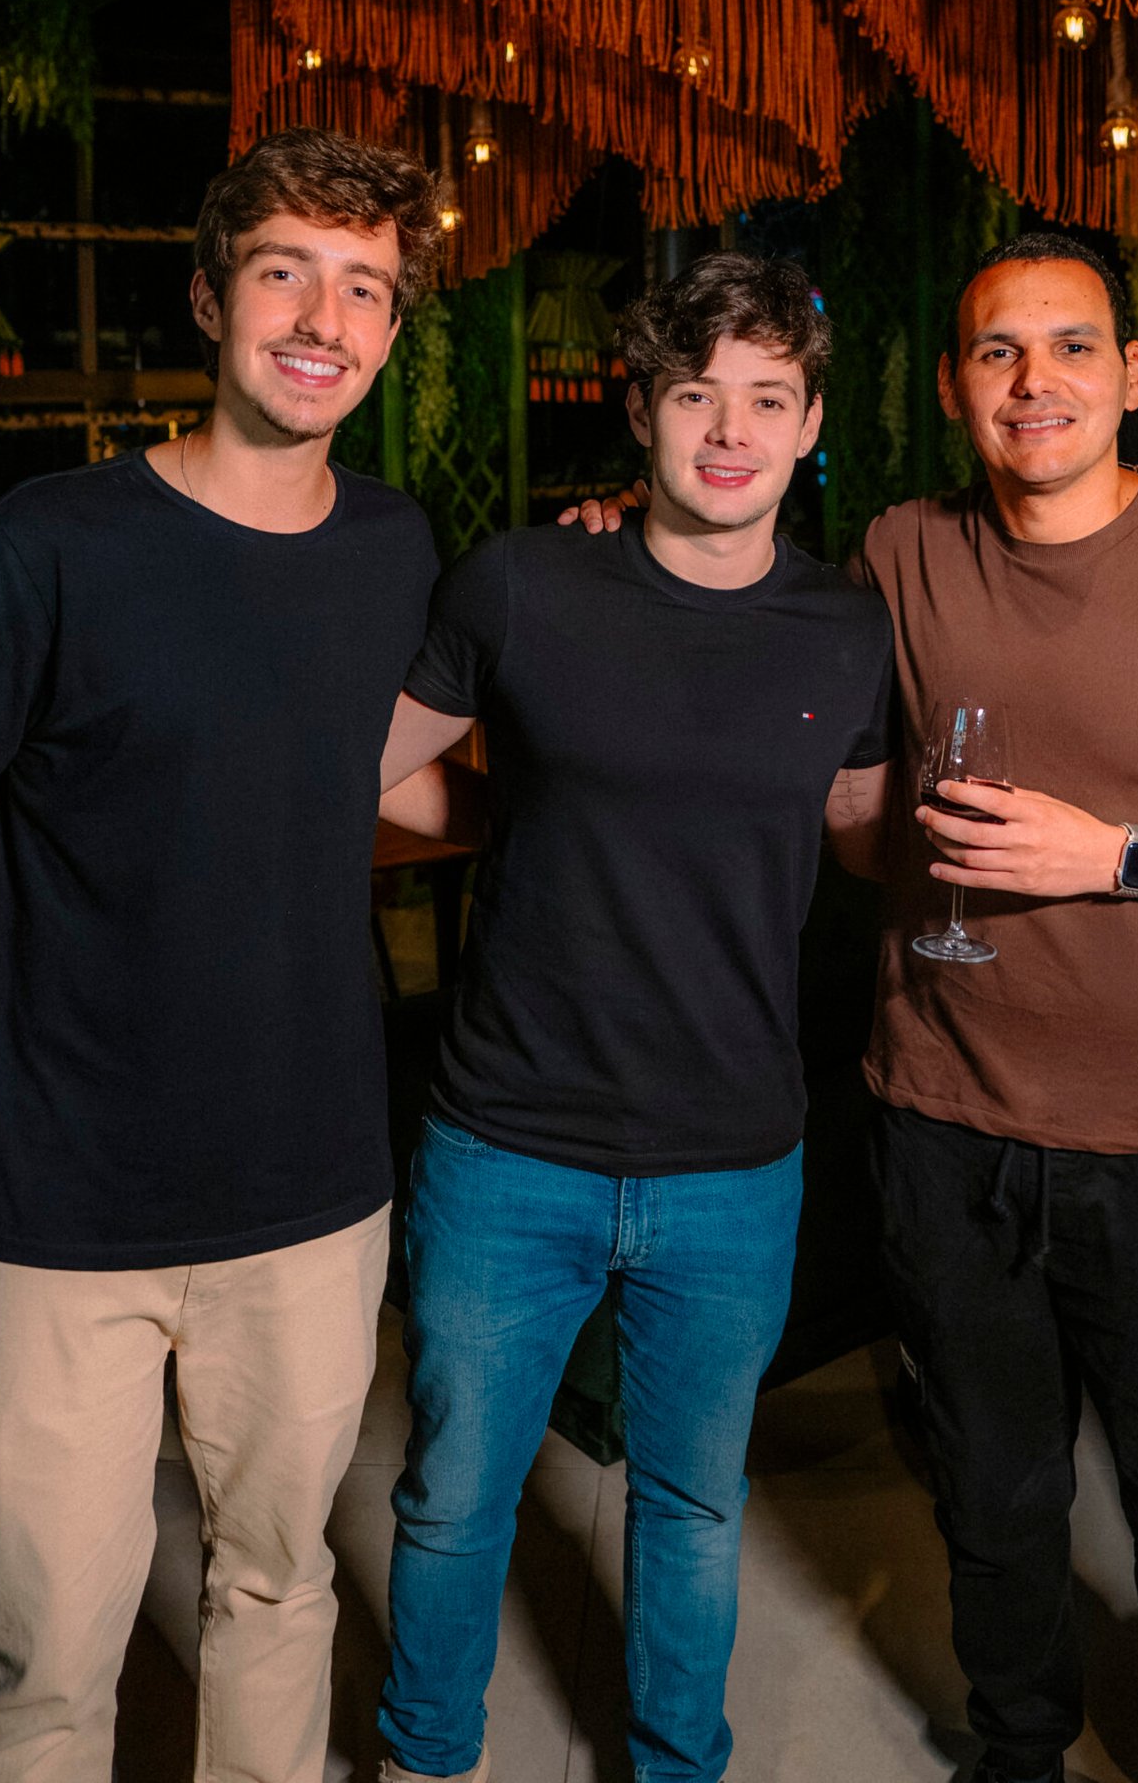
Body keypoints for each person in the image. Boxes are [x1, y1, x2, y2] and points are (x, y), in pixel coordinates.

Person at [568, 230, 1138, 1783]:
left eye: (1073, 345)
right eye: (999, 351)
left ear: (1131, 373)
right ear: (954, 386)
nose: (1036, 380)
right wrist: (634, 539)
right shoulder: (902, 551)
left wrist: (1116, 856)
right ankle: (1018, 1752)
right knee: (993, 1496)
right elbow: (841, 781)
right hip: (945, 1133)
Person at [0, 127, 441, 1783]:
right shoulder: (52, 543)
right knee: (43, 1662)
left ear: (393, 332)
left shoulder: (395, 550)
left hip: (313, 1201)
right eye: (284, 273)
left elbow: (375, 770)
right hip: (57, 1217)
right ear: (208, 297)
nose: (322, 319)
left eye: (365, 288)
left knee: (279, 1591)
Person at [372, 252, 897, 1783]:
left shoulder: (849, 631)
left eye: (767, 400)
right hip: (505, 1148)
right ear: (642, 409)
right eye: (694, 395)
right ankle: (424, 1757)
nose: (730, 432)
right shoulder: (524, 583)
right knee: (454, 1496)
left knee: (695, 1505)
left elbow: (861, 828)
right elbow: (371, 772)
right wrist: (520, 814)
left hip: (733, 1160)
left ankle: (681, 1764)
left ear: (810, 426)